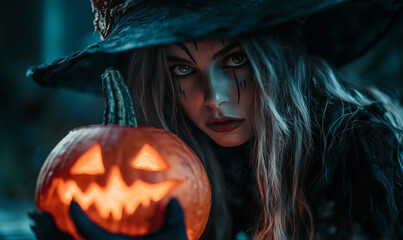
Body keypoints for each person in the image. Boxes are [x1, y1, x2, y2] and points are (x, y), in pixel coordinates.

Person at [28, 0, 403, 239]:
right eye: (183, 69)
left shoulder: (357, 148)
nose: (215, 98)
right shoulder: (180, 161)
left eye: (236, 60)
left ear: (278, 59)